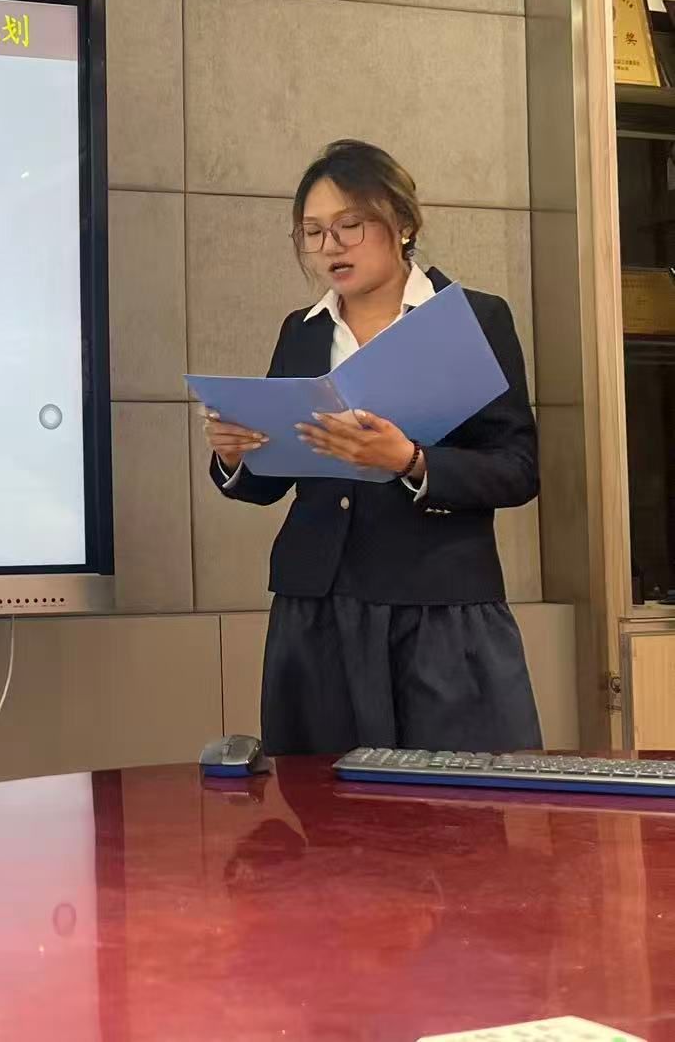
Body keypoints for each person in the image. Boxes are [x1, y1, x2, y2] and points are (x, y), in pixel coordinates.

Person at [203, 139, 542, 756]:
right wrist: (236, 455)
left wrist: (410, 461)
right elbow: (271, 480)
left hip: (438, 604)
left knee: (451, 802)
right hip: (317, 606)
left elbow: (517, 469)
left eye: (349, 225)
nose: (330, 246)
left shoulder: (473, 319)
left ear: (402, 223)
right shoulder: (302, 331)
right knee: (323, 797)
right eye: (313, 232)